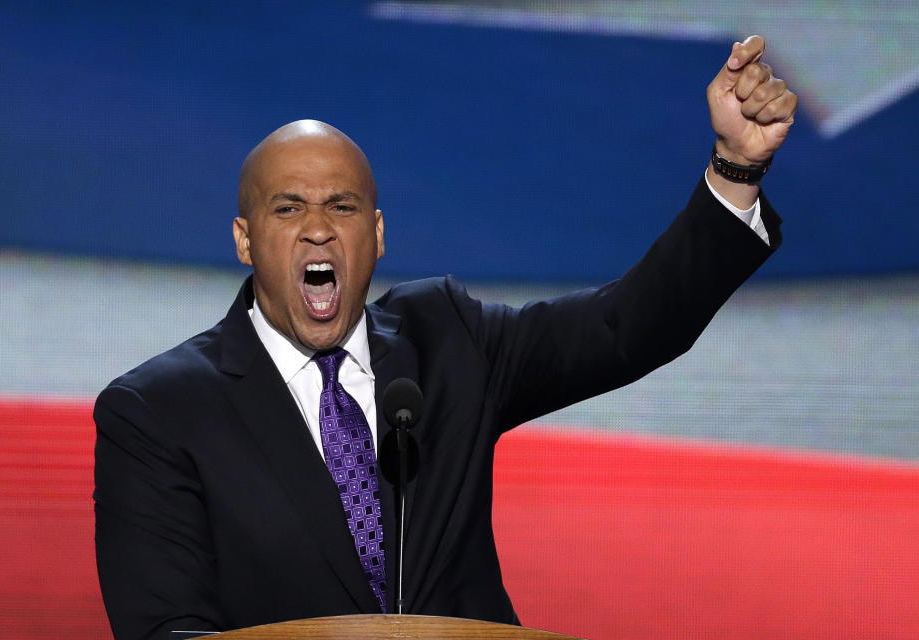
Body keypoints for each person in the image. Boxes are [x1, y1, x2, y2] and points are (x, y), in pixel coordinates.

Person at [94, 36, 797, 640]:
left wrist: (736, 170)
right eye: (288, 209)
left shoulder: (448, 341)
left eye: (342, 207)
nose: (317, 229)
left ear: (375, 236)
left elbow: (625, 327)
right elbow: (166, 627)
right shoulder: (160, 411)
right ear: (246, 240)